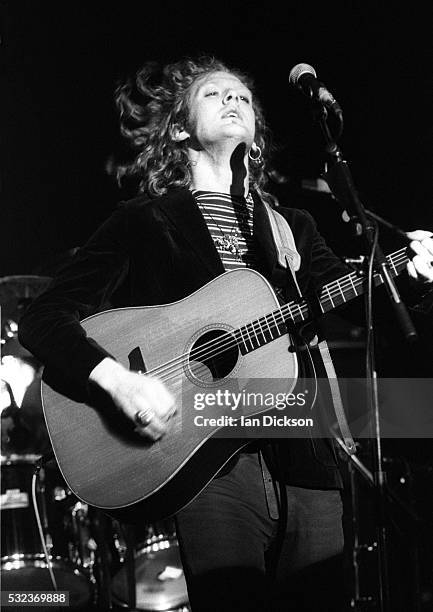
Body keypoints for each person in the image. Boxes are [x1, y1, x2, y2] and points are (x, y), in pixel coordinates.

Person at [18, 56, 433, 611]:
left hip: (307, 455)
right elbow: (45, 317)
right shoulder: (143, 222)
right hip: (210, 467)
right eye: (214, 94)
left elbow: (359, 295)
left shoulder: (294, 228)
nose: (233, 100)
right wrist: (119, 381)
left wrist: (406, 271)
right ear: (180, 128)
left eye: (241, 96)